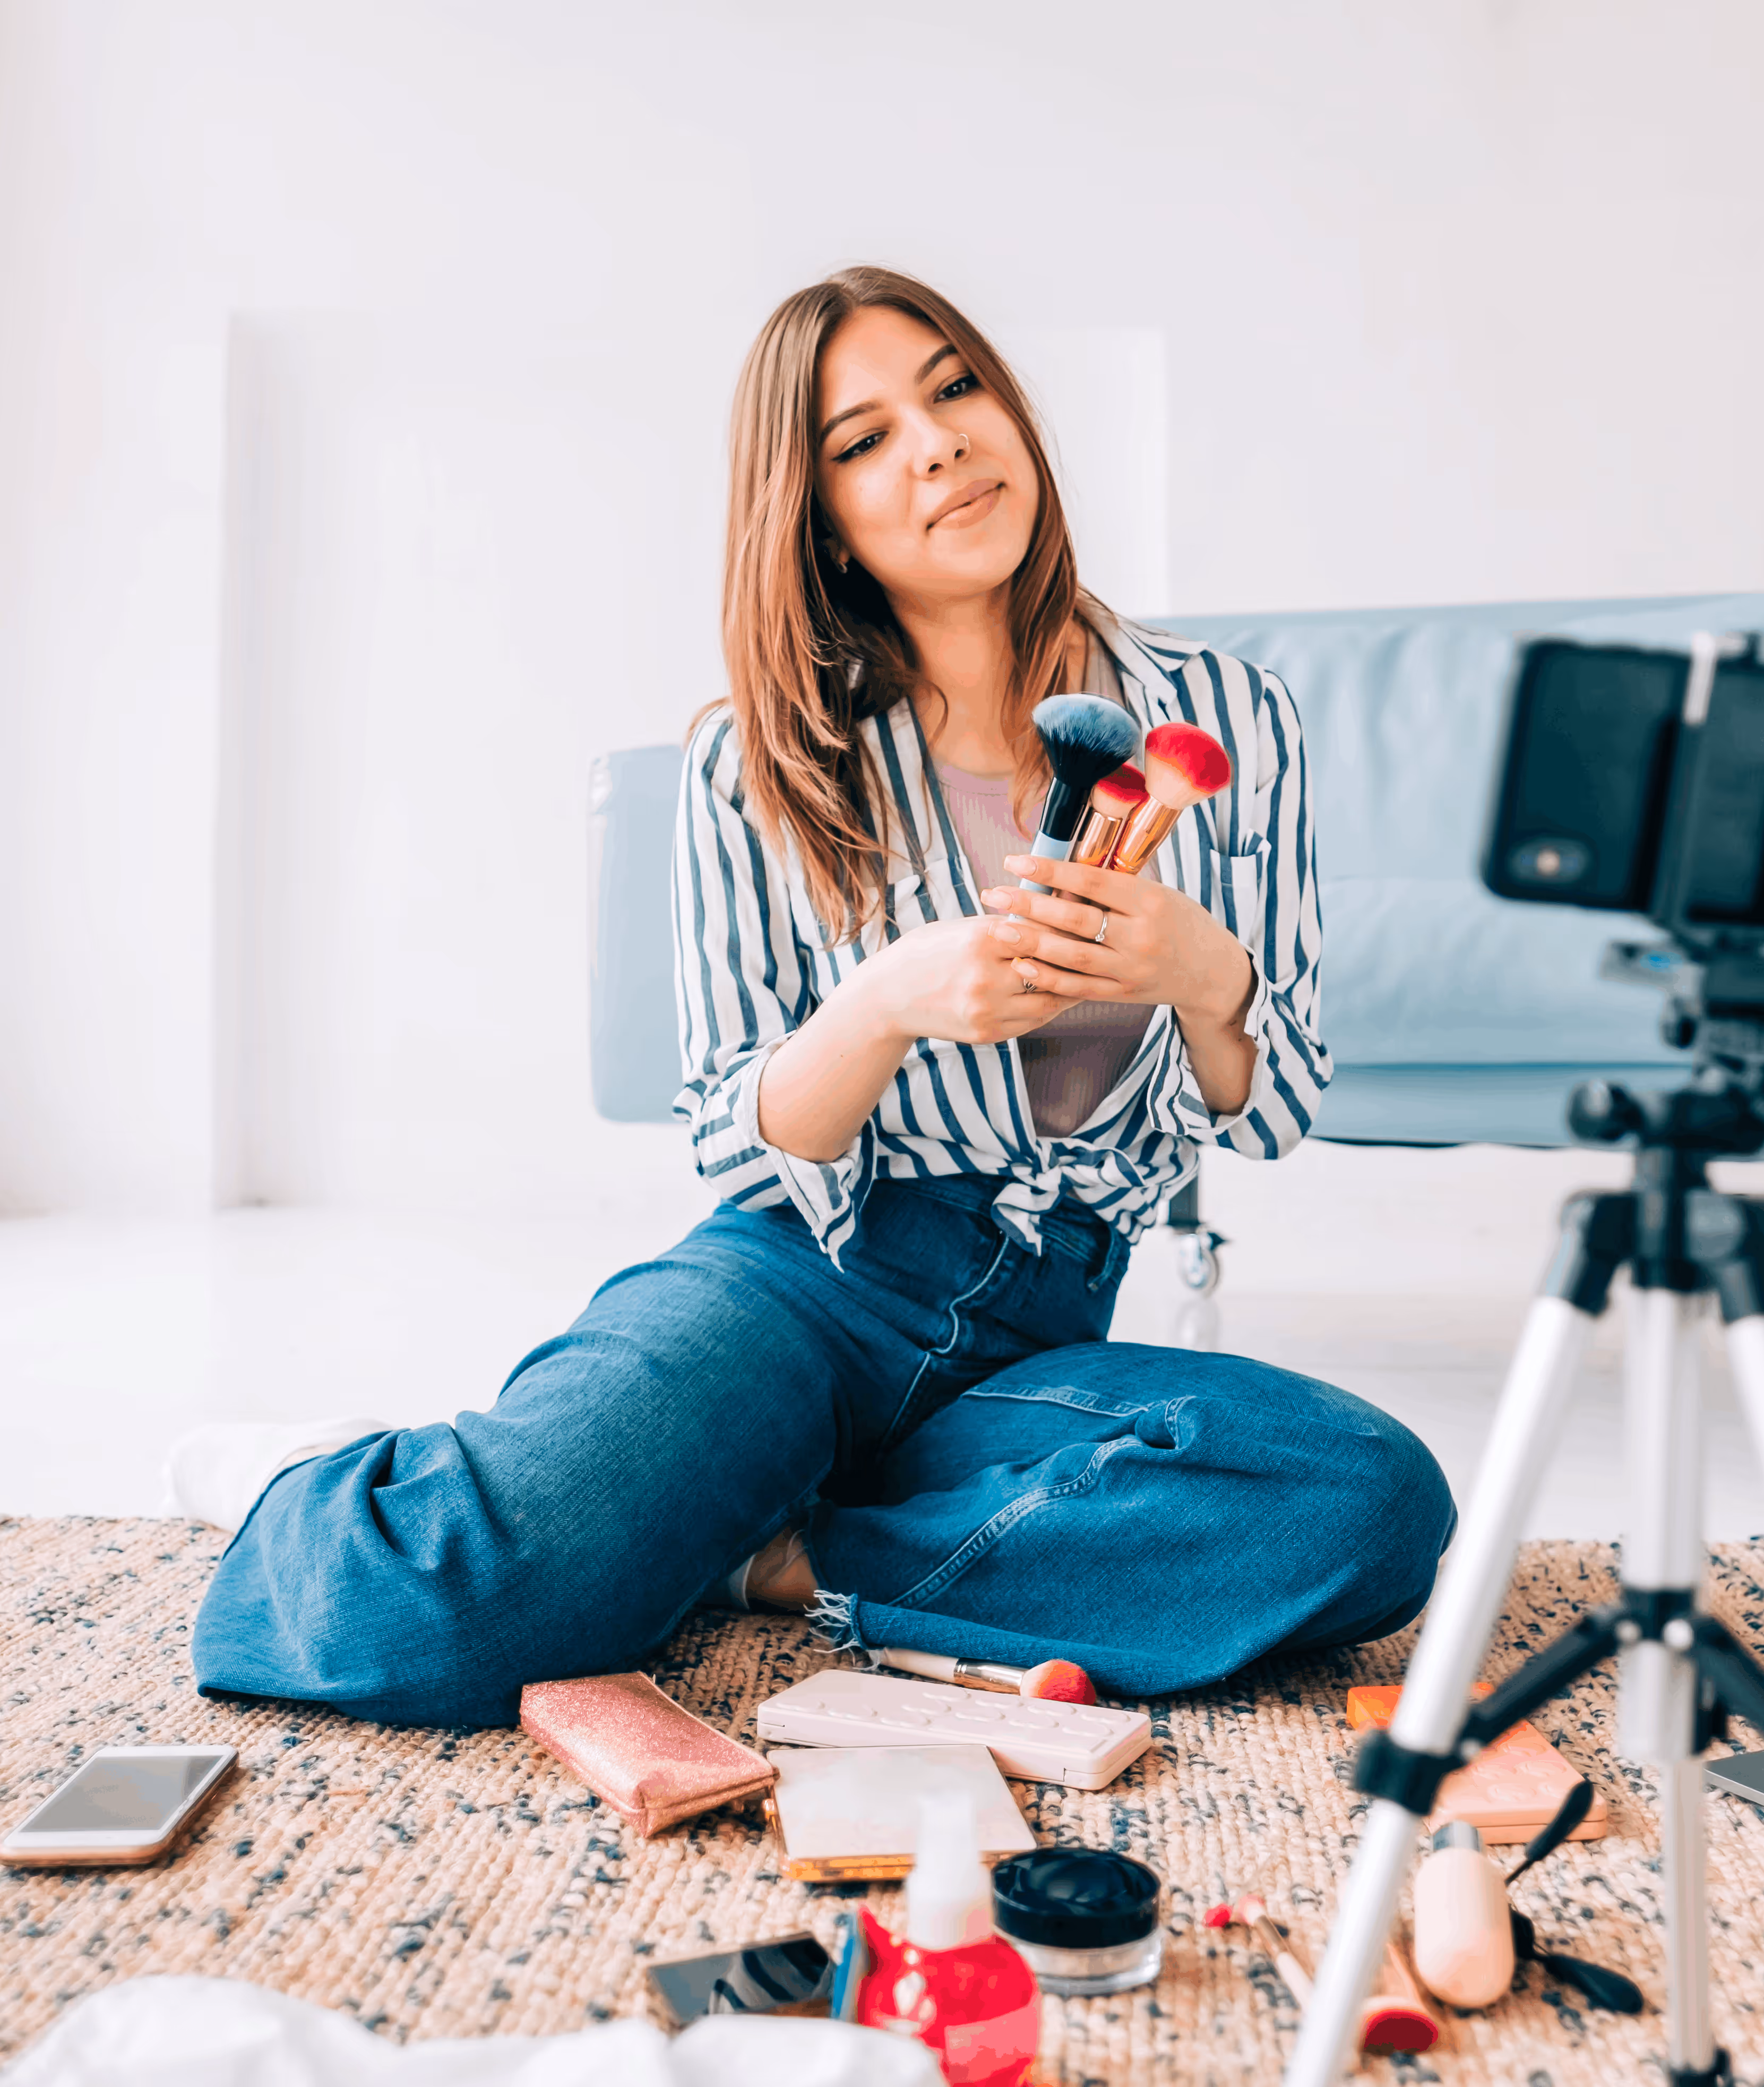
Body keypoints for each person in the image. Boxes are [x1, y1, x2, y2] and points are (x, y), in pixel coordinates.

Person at [183, 267, 1455, 1729]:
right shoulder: (754, 763)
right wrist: (885, 1003)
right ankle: (325, 1481)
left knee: (1362, 1506)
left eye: (957, 387)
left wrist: (1201, 973)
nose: (937, 444)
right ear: (818, 514)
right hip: (795, 1289)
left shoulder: (1231, 719)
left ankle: (772, 1556)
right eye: (863, 441)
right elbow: (738, 1135)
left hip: (1044, 1324)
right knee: (459, 1616)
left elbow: (1280, 1106)